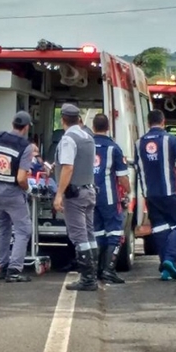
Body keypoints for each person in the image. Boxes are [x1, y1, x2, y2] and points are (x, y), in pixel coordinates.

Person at [136, 110, 176, 281]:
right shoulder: (170, 140)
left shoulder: (139, 142)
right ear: (163, 122)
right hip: (170, 192)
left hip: (150, 194)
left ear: (148, 123)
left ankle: (166, 269)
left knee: (160, 228)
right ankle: (170, 259)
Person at [0, 111, 34, 283]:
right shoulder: (26, 146)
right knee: (23, 230)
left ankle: (2, 267)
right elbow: (21, 178)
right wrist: (28, 189)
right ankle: (14, 270)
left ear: (12, 123)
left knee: (3, 228)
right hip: (13, 193)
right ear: (26, 128)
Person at [51, 104, 97, 291]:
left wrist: (59, 194)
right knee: (89, 234)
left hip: (75, 193)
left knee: (79, 236)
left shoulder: (68, 139)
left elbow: (68, 167)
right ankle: (94, 273)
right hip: (89, 190)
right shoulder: (88, 137)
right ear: (79, 119)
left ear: (63, 119)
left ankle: (87, 279)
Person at [92, 113, 131, 284]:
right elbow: (122, 177)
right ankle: (109, 270)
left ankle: (97, 270)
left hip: (91, 197)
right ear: (108, 128)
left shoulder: (86, 146)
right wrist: (128, 192)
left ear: (93, 127)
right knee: (115, 233)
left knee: (97, 233)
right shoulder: (114, 148)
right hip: (109, 198)